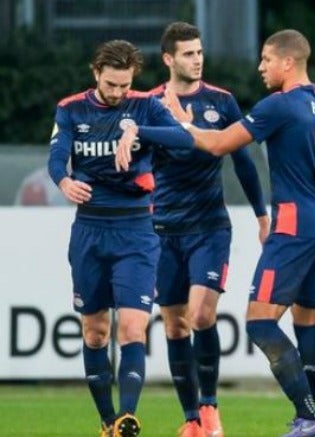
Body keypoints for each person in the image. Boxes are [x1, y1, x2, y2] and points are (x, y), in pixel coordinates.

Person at [155, 29, 315, 437]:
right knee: (308, 323)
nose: (260, 67)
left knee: (260, 323)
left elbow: (221, 143)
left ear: (287, 63)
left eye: (266, 60)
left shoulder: (278, 105)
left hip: (294, 226)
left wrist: (185, 124)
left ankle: (308, 415)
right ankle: (308, 420)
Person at [48, 39, 194, 437]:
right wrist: (63, 181)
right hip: (90, 230)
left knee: (133, 329)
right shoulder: (70, 108)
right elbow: (57, 155)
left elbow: (185, 139)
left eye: (124, 86)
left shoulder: (144, 105)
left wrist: (136, 129)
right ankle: (107, 422)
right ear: (96, 74)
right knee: (94, 331)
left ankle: (127, 418)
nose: (117, 93)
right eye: (111, 85)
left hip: (136, 231)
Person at [148, 22, 269, 437]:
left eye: (199, 52)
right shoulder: (150, 104)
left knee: (201, 314)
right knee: (174, 325)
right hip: (163, 230)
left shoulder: (222, 101)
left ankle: (210, 406)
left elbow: (243, 162)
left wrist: (261, 214)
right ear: (168, 59)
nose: (197, 60)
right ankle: (191, 421)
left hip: (209, 227)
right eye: (188, 54)